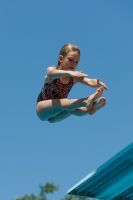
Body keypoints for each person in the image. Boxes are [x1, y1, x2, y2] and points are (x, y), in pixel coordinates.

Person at [36, 43, 108, 123]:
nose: (74, 64)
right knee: (62, 102)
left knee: (71, 109)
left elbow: (89, 81)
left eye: (77, 62)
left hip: (58, 114)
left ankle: (93, 107)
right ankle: (86, 100)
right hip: (42, 110)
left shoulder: (73, 78)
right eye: (70, 60)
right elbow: (50, 73)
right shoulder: (53, 72)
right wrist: (69, 73)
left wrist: (98, 83)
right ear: (61, 58)